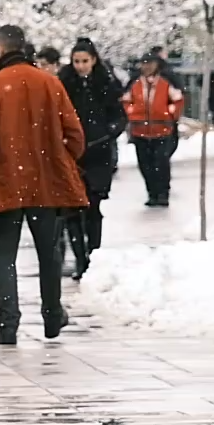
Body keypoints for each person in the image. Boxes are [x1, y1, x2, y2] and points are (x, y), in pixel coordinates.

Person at [0, 25, 87, 347]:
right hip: (45, 185)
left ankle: (8, 321)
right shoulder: (50, 83)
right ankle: (51, 314)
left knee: (4, 256)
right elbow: (75, 137)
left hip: (5, 183)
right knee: (49, 252)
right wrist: (58, 161)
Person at [58, 38, 126, 278]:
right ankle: (79, 258)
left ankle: (93, 252)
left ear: (94, 60)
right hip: (72, 153)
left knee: (93, 205)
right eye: (76, 61)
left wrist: (108, 133)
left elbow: (119, 114)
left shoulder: (105, 83)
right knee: (73, 208)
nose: (80, 66)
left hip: (98, 152)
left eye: (85, 61)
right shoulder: (65, 82)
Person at [124, 51, 184, 207]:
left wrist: (170, 114)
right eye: (144, 63)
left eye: (150, 63)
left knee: (161, 162)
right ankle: (151, 192)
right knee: (145, 164)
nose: (147, 67)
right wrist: (131, 114)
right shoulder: (135, 84)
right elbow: (126, 100)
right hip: (140, 131)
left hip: (162, 130)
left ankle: (163, 192)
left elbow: (178, 100)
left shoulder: (165, 83)